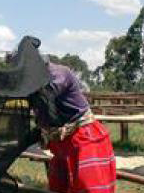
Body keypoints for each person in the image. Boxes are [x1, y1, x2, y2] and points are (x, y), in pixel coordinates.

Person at [32, 58, 116, 193]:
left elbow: (47, 93)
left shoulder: (58, 73)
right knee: (59, 188)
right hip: (62, 143)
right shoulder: (33, 82)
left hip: (84, 137)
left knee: (89, 187)